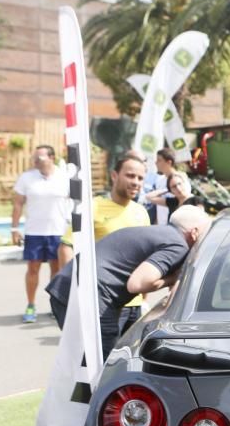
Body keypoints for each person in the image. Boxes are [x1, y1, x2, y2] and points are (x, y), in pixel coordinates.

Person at [46, 205, 211, 359]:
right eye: (205, 234)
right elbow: (137, 284)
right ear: (194, 232)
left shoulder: (158, 233)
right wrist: (174, 278)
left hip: (67, 288)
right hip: (91, 293)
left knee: (85, 361)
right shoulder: (178, 245)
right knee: (103, 362)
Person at [57, 153, 151, 331]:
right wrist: (74, 292)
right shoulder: (92, 207)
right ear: (114, 175)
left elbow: (145, 257)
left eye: (140, 178)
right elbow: (67, 246)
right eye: (130, 175)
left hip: (135, 305)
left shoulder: (141, 212)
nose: (136, 182)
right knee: (102, 358)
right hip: (105, 304)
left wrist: (145, 299)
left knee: (129, 357)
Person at [12, 144, 70, 323]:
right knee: (33, 269)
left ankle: (55, 305)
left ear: (51, 157)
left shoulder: (65, 176)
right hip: (34, 232)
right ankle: (30, 305)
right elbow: (18, 204)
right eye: (34, 158)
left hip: (58, 231)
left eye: (39, 157)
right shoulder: (27, 178)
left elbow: (76, 203)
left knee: (57, 270)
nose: (35, 160)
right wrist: (14, 229)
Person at [144, 148, 178, 224]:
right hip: (161, 225)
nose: (156, 163)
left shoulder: (180, 180)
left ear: (169, 162)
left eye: (159, 160)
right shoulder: (159, 180)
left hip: (174, 225)